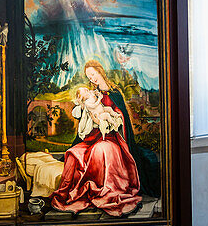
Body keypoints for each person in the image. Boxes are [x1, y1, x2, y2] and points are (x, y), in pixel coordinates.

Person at [51, 61, 142, 216]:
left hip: (111, 139)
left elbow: (121, 117)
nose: (92, 78)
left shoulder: (114, 93)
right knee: (74, 153)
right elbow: (84, 116)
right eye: (89, 76)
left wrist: (109, 120)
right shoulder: (91, 94)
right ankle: (79, 192)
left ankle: (105, 190)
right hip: (92, 137)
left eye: (93, 74)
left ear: (100, 72)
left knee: (101, 150)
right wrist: (93, 119)